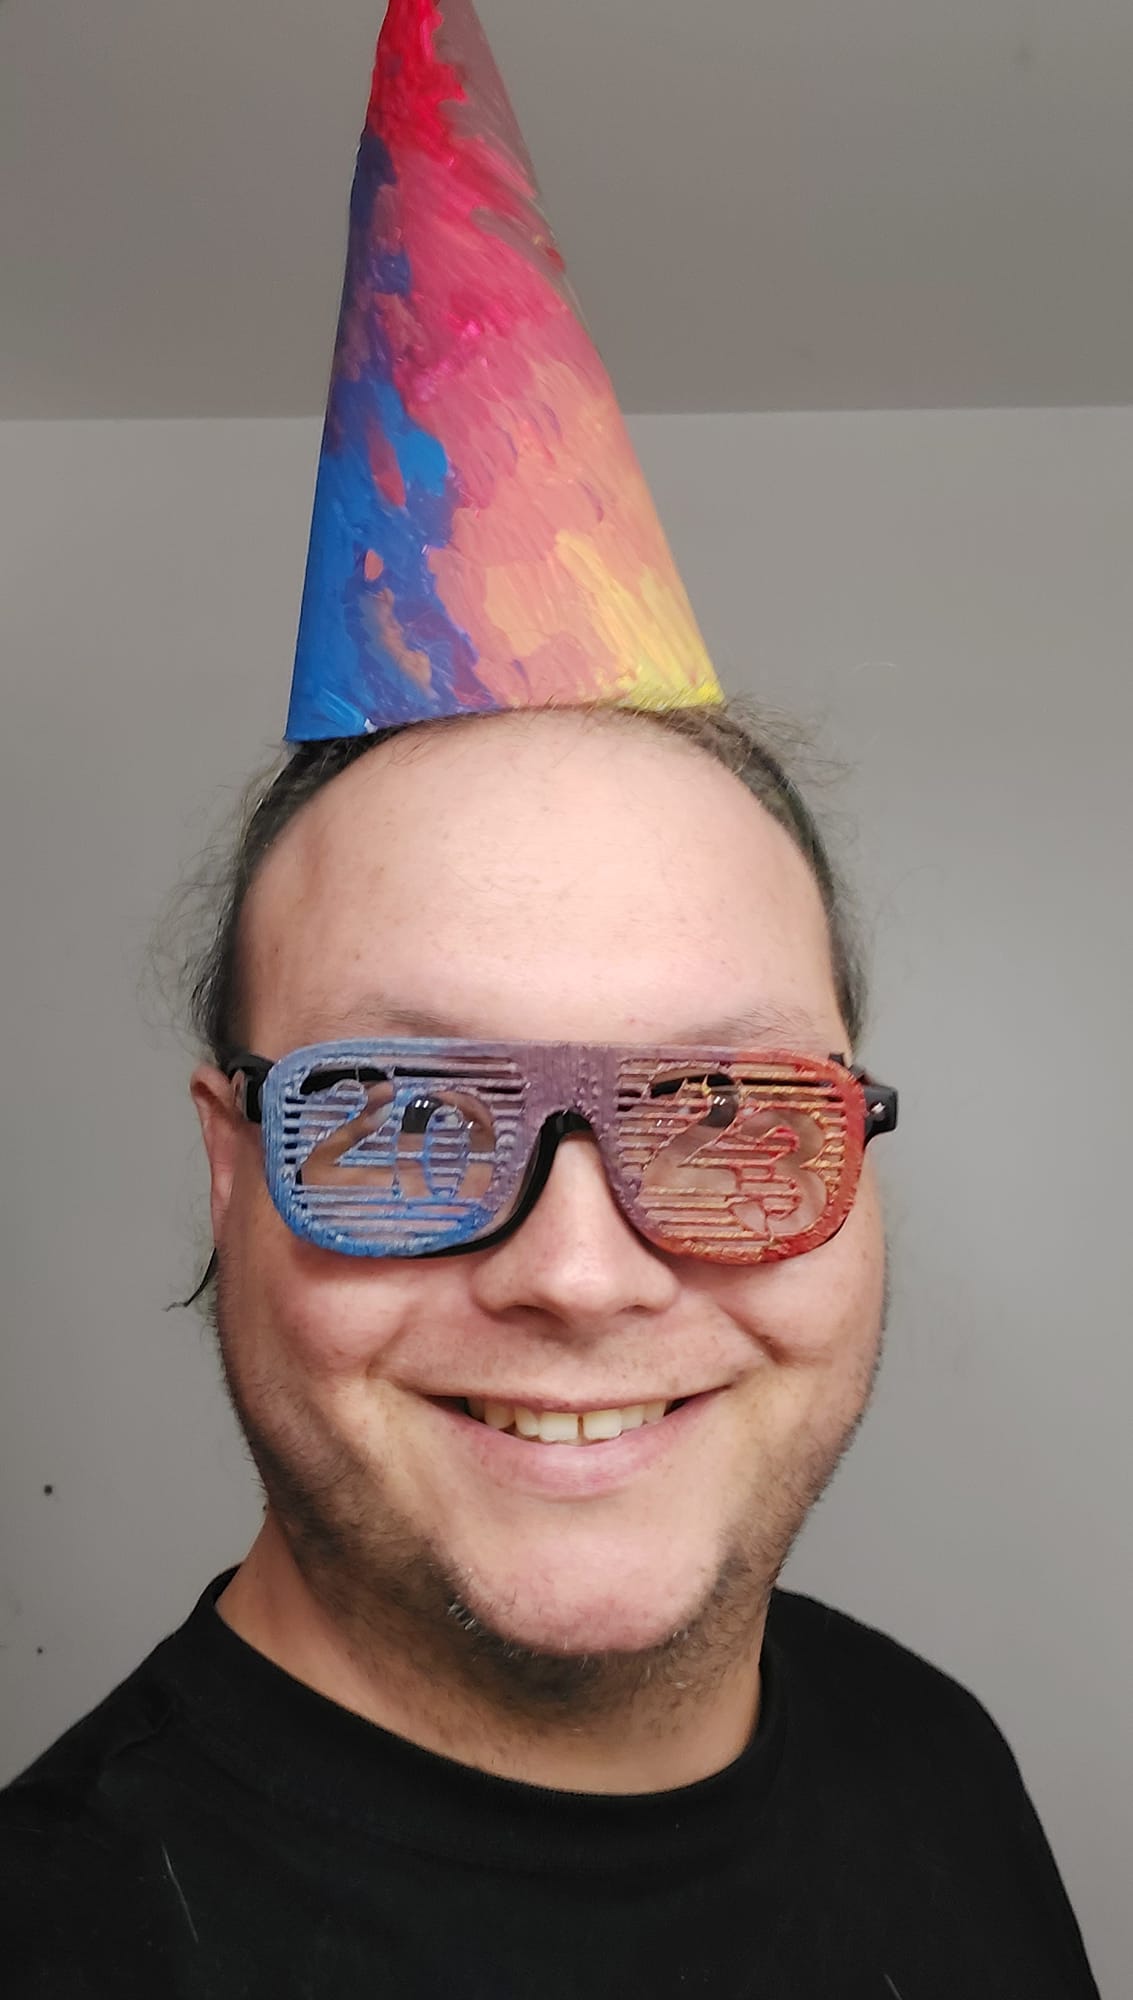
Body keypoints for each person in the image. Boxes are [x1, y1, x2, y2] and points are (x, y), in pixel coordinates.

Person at [0, 3, 1101, 1994]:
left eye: (722, 1105)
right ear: (229, 1166)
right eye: (412, 1115)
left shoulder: (940, 1760)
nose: (580, 1275)